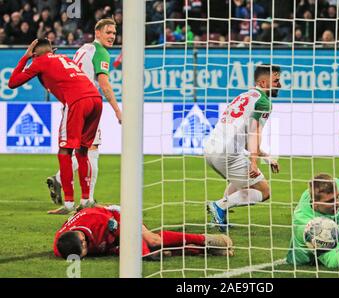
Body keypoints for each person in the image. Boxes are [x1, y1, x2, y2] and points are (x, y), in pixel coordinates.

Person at [8, 39, 103, 215]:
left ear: (35, 53)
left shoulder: (39, 61)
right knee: (83, 151)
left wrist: (25, 57)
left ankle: (68, 203)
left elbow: (12, 82)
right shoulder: (64, 58)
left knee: (65, 151)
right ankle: (86, 200)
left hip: (77, 102)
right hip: (96, 100)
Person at [46, 18, 122, 210]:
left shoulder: (83, 49)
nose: (112, 36)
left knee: (76, 150)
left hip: (71, 104)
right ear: (97, 33)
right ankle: (87, 201)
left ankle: (62, 183)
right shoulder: (101, 52)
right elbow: (104, 84)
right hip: (86, 104)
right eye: (108, 32)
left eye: (114, 33)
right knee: (91, 151)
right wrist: (117, 110)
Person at [204, 64, 281, 232]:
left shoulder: (244, 96)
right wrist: (254, 163)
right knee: (264, 191)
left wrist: (266, 156)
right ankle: (219, 206)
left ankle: (219, 217)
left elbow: (245, 139)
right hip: (228, 152)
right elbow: (254, 133)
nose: (280, 85)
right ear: (262, 82)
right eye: (276, 81)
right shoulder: (263, 102)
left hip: (211, 149)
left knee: (240, 183)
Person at [54, 205, 234, 259]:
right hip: (107, 240)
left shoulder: (99, 221)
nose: (83, 256)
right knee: (157, 252)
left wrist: (145, 253)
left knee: (152, 241)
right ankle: (205, 251)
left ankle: (206, 240)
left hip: (120, 216)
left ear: (82, 238)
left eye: (84, 250)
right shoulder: (62, 245)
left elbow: (127, 231)